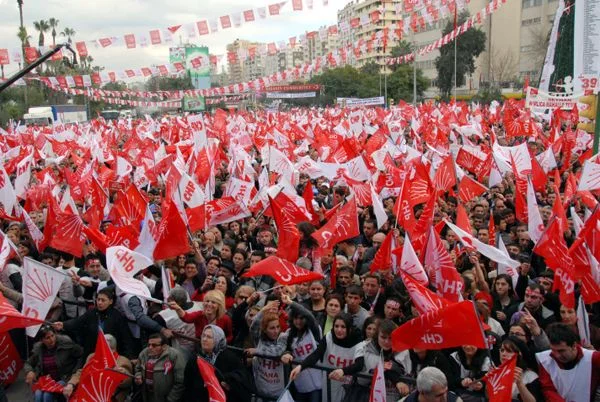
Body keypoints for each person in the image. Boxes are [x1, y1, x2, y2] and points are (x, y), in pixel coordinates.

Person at [334, 319, 413, 401]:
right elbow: (361, 374)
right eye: (383, 337)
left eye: (391, 338)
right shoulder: (365, 347)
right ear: (377, 335)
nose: (387, 341)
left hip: (393, 397)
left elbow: (407, 375)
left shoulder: (403, 351)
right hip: (366, 395)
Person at [290, 313, 362, 402]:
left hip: (348, 386)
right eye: (336, 326)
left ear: (349, 328)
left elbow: (359, 364)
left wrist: (343, 371)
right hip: (329, 384)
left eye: (343, 327)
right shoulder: (328, 337)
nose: (339, 330)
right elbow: (316, 354)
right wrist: (300, 367)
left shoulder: (358, 341)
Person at [52, 287, 134, 359]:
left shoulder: (117, 316)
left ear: (111, 301)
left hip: (110, 353)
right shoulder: (91, 313)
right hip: (92, 352)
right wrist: (63, 325)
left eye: (103, 300)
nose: (100, 302)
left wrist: (129, 356)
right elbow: (78, 321)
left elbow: (126, 338)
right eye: (98, 299)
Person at [183, 325, 251, 402]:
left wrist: (229, 382)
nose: (204, 339)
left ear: (218, 340)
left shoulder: (230, 359)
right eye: (203, 336)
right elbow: (187, 384)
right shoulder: (196, 358)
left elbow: (241, 380)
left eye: (209, 337)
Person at [536, 322, 600, 402]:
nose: (557, 355)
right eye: (553, 350)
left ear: (574, 346)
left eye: (561, 351)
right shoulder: (545, 360)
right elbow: (548, 389)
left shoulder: (593, 358)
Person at [63, 334, 133, 402]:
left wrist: (120, 375)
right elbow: (81, 372)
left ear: (113, 350)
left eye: (102, 348)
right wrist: (71, 384)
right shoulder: (92, 356)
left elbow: (128, 382)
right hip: (86, 391)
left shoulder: (122, 361)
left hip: (105, 396)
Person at [280, 294, 322, 402]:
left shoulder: (314, 330)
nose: (298, 321)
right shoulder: (289, 333)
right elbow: (286, 349)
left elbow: (309, 315)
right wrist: (286, 353)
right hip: (300, 383)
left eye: (301, 318)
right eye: (295, 318)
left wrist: (291, 303)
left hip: (317, 384)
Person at [23, 326, 83, 402]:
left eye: (52, 335)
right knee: (38, 395)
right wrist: (29, 371)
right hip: (46, 380)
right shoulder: (39, 350)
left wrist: (75, 371)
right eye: (47, 338)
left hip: (64, 378)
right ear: (42, 340)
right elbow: (28, 363)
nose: (52, 339)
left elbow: (82, 356)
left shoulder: (66, 345)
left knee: (47, 396)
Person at [246, 300, 289, 401]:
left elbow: (276, 352)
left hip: (278, 393)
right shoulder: (260, 339)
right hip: (260, 390)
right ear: (265, 330)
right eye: (272, 328)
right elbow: (253, 327)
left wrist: (257, 351)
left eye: (278, 327)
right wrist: (263, 310)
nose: (276, 331)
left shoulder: (283, 337)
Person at [134, 333, 186, 402]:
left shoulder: (174, 355)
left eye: (154, 345)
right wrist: (138, 375)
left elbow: (180, 381)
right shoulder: (144, 353)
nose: (150, 348)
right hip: (147, 396)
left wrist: (171, 399)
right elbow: (138, 369)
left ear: (164, 346)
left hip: (166, 398)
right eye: (149, 345)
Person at [498, 337, 541, 402]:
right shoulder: (496, 373)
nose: (503, 354)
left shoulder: (530, 376)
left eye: (509, 351)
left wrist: (520, 384)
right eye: (502, 350)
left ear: (519, 354)